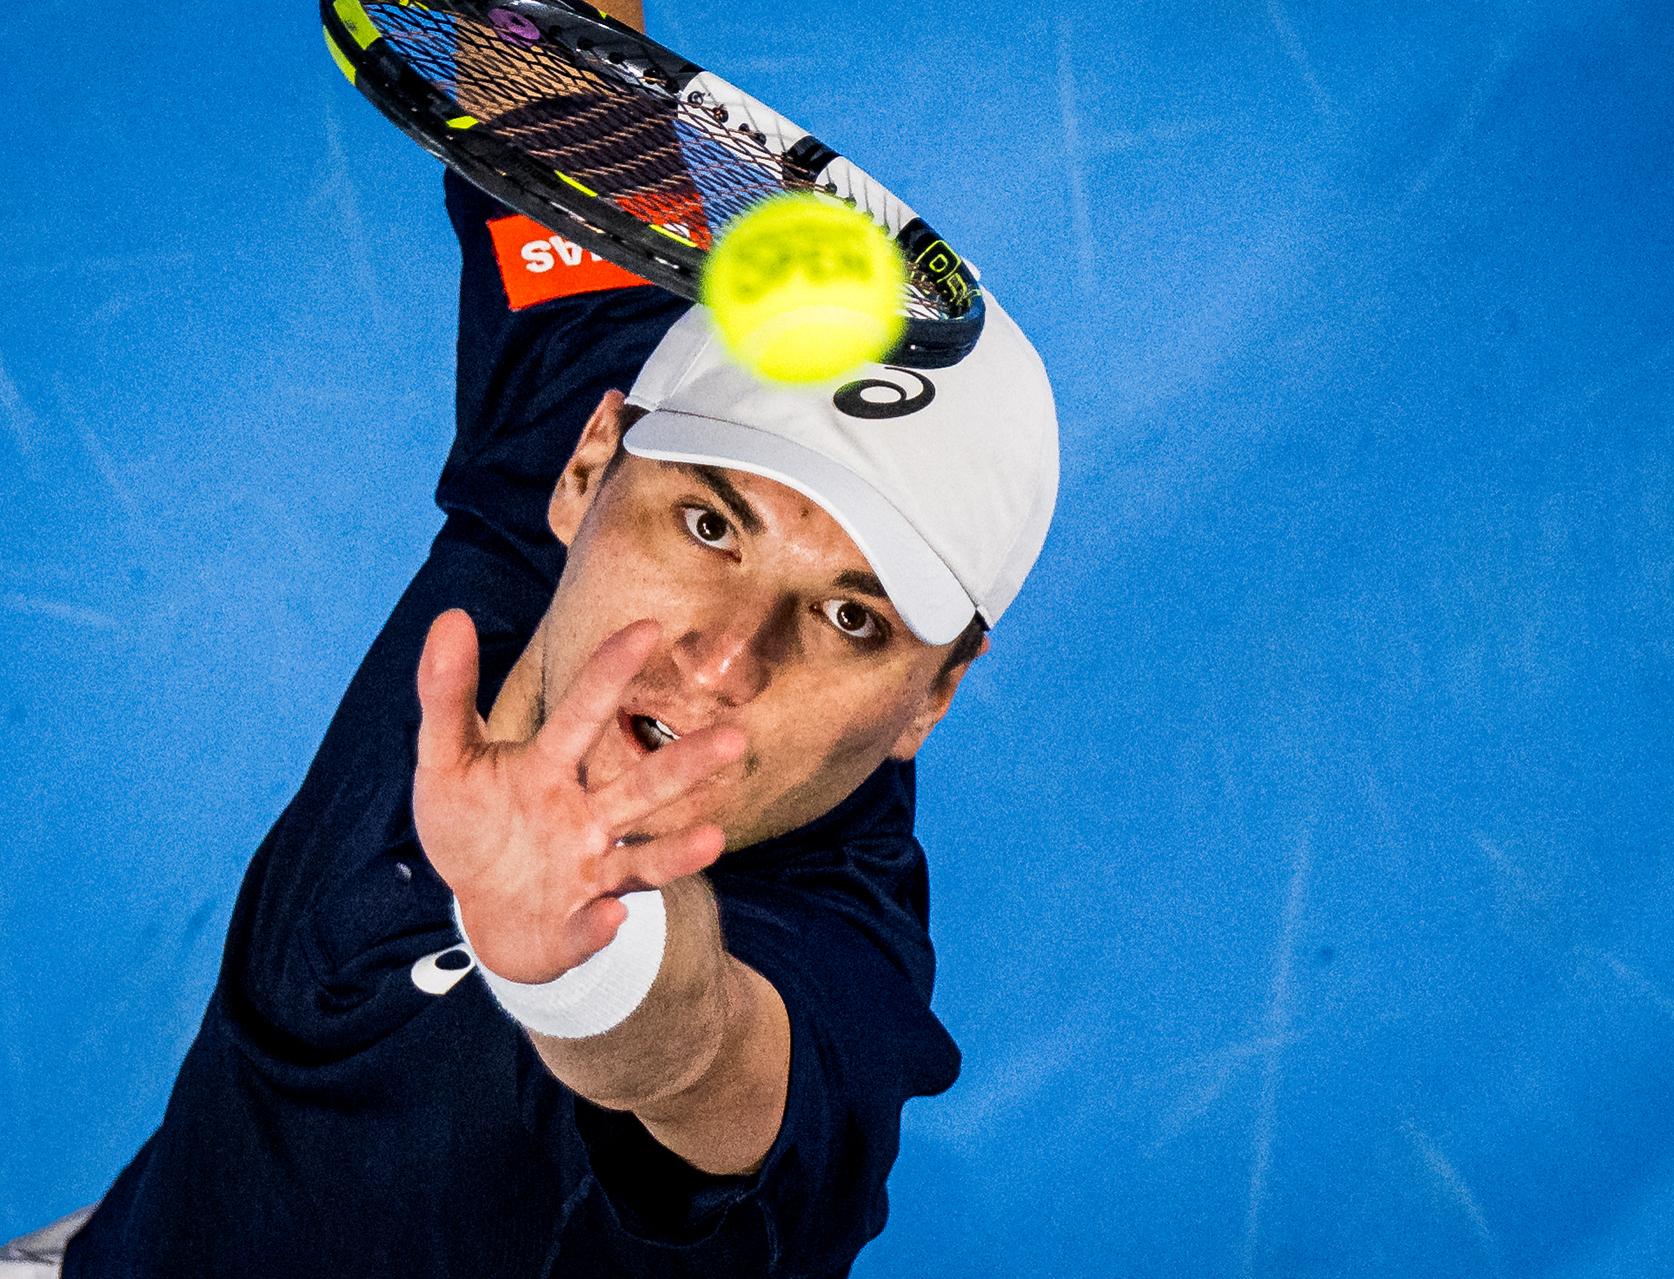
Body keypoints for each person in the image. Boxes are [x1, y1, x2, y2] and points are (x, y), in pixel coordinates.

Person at [4, 11, 1059, 1273]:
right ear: (589, 466)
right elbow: (559, 84)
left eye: (852, 617)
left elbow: (704, 1063)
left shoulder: (834, 981)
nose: (727, 659)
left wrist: (589, 962)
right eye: (716, 523)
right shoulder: (576, 448)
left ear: (931, 695)